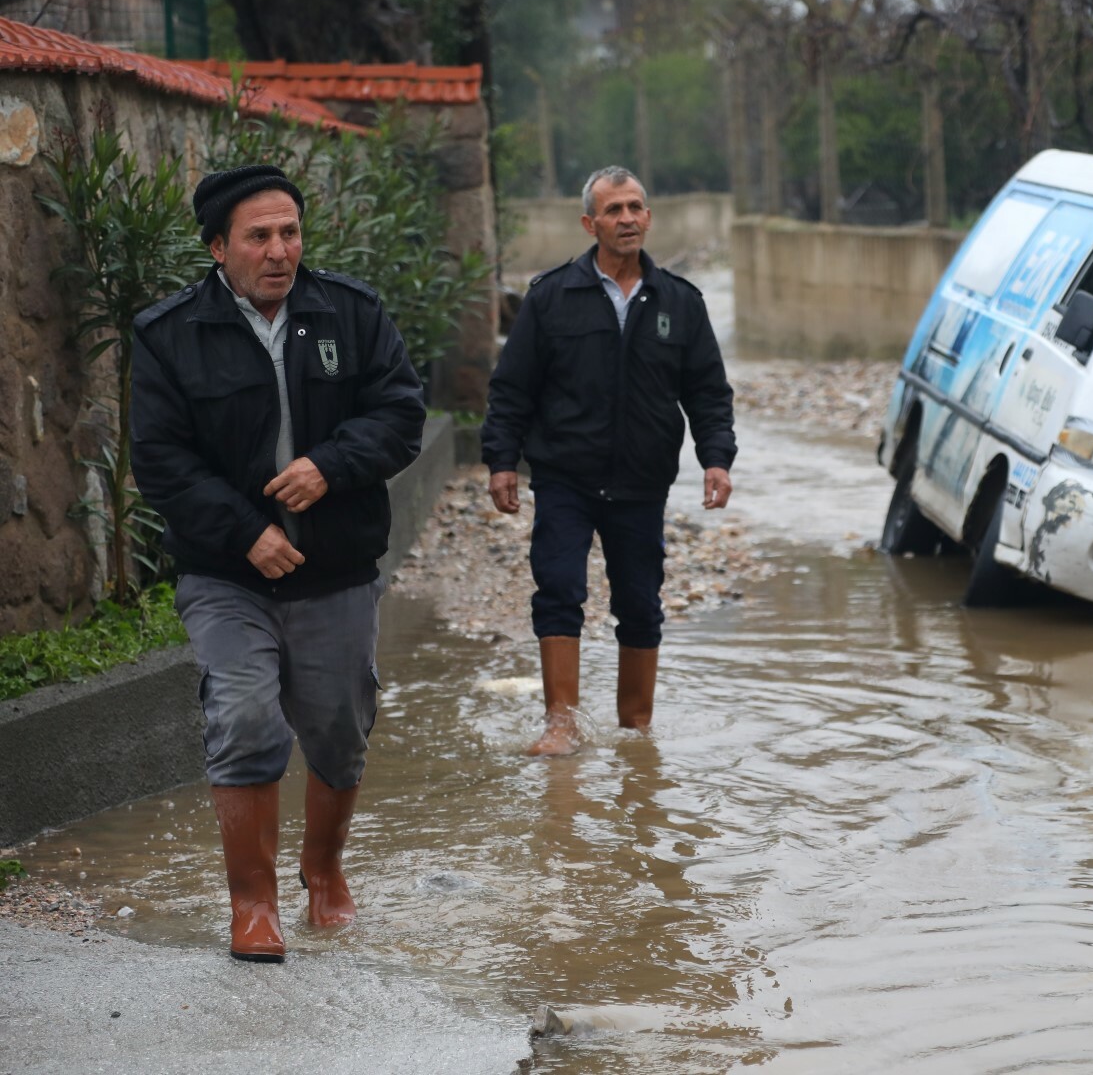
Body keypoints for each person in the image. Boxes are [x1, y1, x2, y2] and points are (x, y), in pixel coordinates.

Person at [130, 165, 425, 963]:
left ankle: (323, 871)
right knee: (245, 717)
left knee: (338, 723)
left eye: (289, 232)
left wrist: (330, 464)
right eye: (258, 236)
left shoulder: (351, 313)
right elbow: (158, 459)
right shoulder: (167, 334)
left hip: (335, 568)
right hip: (227, 576)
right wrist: (243, 531)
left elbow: (402, 414)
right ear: (218, 245)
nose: (278, 250)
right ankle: (253, 904)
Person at [482, 165, 737, 757]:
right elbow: (511, 388)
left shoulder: (681, 301)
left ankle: (636, 730)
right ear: (589, 223)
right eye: (614, 210)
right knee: (559, 589)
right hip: (565, 476)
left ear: (648, 216)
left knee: (641, 603)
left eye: (635, 208)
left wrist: (716, 459)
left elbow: (707, 391)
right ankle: (561, 725)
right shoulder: (551, 297)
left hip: (642, 483)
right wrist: (500, 461)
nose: (626, 219)